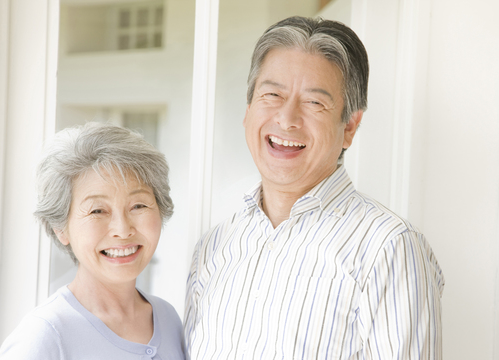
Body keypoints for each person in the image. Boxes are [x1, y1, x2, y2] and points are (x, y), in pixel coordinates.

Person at [184, 16, 444, 359]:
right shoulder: (213, 247)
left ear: (350, 126)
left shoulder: (389, 248)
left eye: (314, 102)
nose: (287, 118)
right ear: (248, 109)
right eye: (272, 94)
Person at [0, 123, 186, 359]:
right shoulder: (44, 337)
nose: (123, 229)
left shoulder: (168, 319)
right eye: (97, 211)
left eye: (138, 205)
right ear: (60, 229)